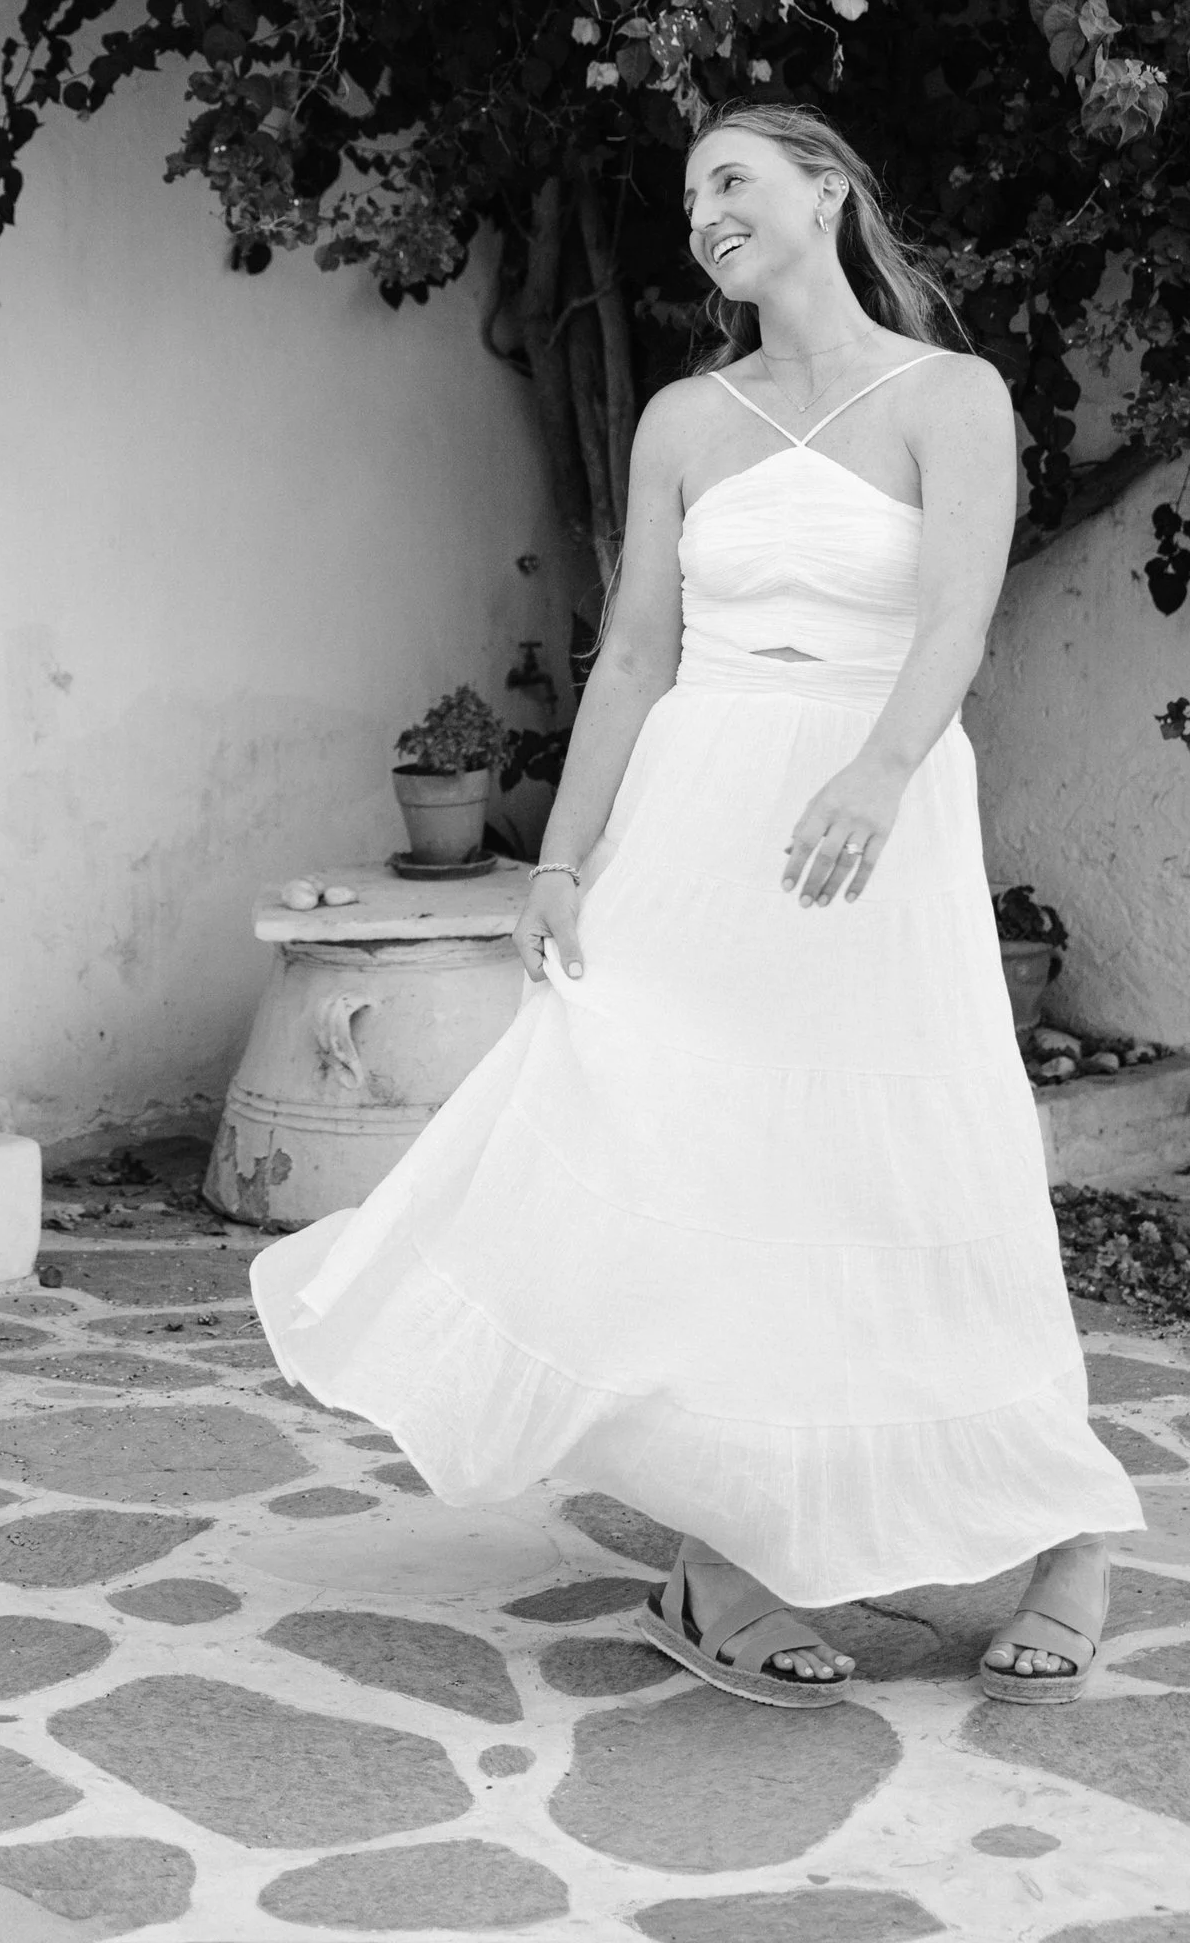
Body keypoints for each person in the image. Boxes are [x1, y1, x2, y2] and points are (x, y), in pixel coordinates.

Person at [253, 105, 1139, 1705]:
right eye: (687, 197)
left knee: (931, 1155)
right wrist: (565, 859)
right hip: (697, 822)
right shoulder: (682, 418)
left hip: (874, 814)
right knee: (696, 1153)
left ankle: (1066, 1534)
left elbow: (959, 613)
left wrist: (878, 766)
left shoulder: (953, 396)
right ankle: (721, 1555)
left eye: (732, 177)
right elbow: (641, 656)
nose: (705, 212)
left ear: (828, 188)